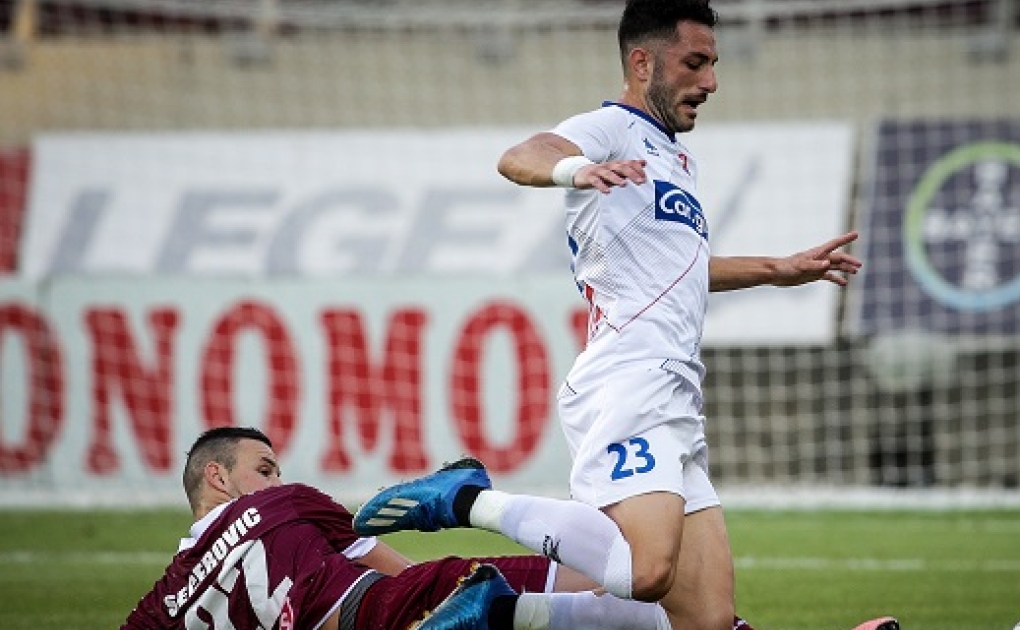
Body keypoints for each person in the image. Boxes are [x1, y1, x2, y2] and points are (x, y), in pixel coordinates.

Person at [354, 2, 896, 630]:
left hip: (676, 390)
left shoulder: (677, 160)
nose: (711, 81)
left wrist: (778, 269)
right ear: (642, 63)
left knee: (706, 620)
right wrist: (576, 169)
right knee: (645, 569)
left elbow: (681, 270)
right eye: (695, 63)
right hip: (630, 378)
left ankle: (502, 612)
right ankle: (467, 501)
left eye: (714, 64)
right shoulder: (611, 127)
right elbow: (521, 155)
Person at [119, 426, 751, 630]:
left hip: (391, 608)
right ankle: (470, 506)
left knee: (640, 595)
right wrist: (432, 596)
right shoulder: (285, 503)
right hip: (395, 606)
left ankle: (495, 604)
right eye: (263, 468)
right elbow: (383, 562)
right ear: (217, 476)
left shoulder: (165, 600)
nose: (275, 477)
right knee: (633, 582)